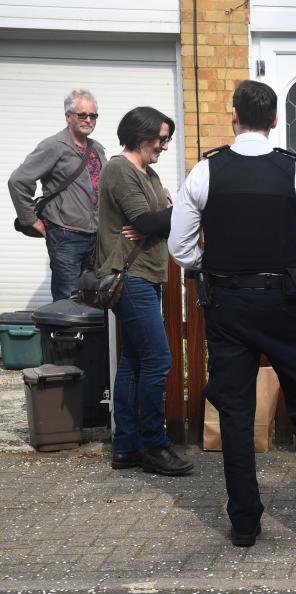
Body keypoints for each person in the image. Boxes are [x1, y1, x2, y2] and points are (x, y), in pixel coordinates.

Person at [169, 80, 296, 548]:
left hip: (227, 306)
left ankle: (244, 524)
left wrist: (213, 267)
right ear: (275, 120)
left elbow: (180, 247)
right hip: (285, 306)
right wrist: (290, 270)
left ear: (233, 116)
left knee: (236, 414)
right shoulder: (295, 173)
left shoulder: (205, 173)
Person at [97, 106, 192, 477]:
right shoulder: (119, 169)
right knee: (158, 360)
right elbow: (149, 220)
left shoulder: (147, 174)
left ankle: (126, 448)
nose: (165, 146)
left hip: (147, 276)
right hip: (129, 276)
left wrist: (163, 219)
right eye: (162, 138)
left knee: (134, 363)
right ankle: (154, 446)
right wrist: (174, 211)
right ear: (142, 136)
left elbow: (162, 223)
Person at [8, 89, 108, 300]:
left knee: (92, 299)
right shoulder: (54, 146)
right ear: (68, 116)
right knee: (67, 302)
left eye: (93, 116)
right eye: (82, 115)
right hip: (65, 236)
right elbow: (18, 180)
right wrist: (30, 219)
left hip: (95, 237)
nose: (88, 120)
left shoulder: (97, 148)